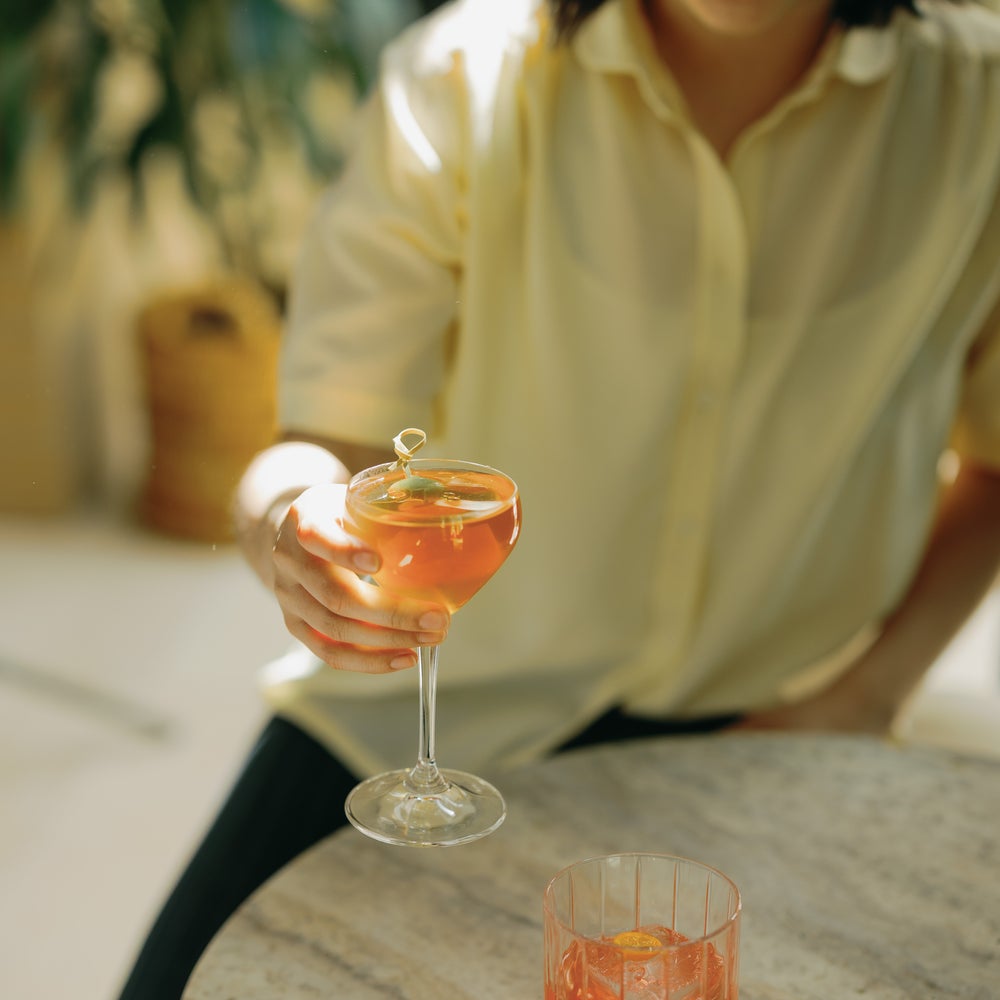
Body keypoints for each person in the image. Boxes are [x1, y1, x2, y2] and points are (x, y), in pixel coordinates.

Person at [117, 0, 1000, 996]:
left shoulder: (978, 106)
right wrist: (288, 521)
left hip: (770, 728)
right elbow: (322, 447)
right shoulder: (460, 78)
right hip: (425, 717)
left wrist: (866, 695)